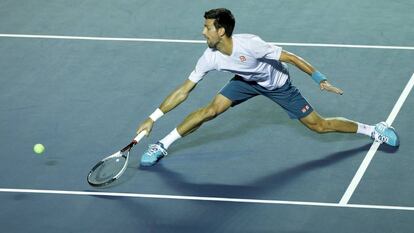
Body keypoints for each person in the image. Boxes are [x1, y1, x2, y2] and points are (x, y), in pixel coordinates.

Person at [136, 8, 399, 166]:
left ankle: (373, 129)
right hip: (246, 83)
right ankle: (162, 145)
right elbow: (184, 90)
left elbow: (292, 58)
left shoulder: (251, 44)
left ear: (222, 31)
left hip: (277, 85)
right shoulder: (210, 57)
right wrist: (152, 118)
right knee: (210, 111)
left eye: (207, 28)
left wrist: (320, 79)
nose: (203, 32)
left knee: (319, 126)